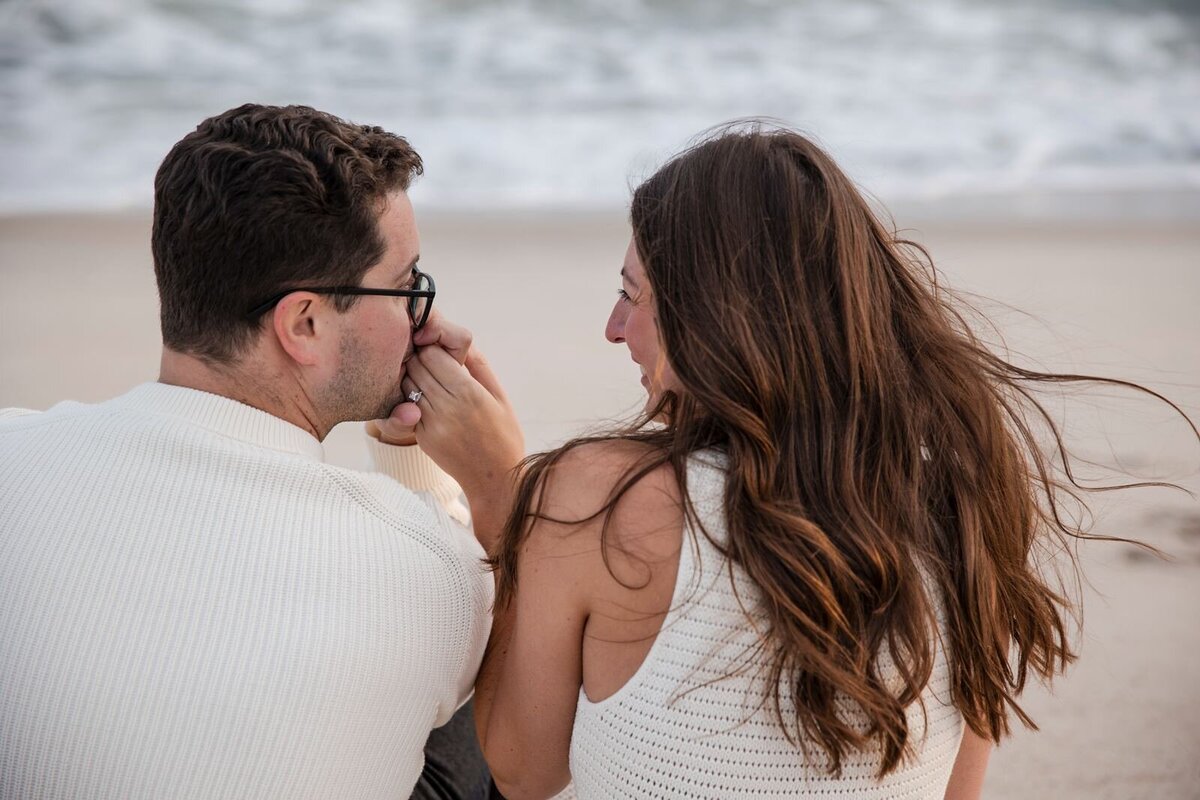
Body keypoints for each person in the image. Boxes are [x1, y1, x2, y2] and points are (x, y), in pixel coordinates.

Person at [402, 124, 1195, 799]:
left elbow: (520, 770)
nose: (615, 329)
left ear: (717, 318)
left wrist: (504, 495)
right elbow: (959, 786)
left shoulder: (597, 498)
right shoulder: (964, 489)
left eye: (633, 294)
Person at [0, 104, 522, 800]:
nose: (423, 317)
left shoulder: (13, 449)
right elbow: (529, 732)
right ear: (303, 323)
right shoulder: (430, 566)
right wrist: (496, 488)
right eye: (405, 286)